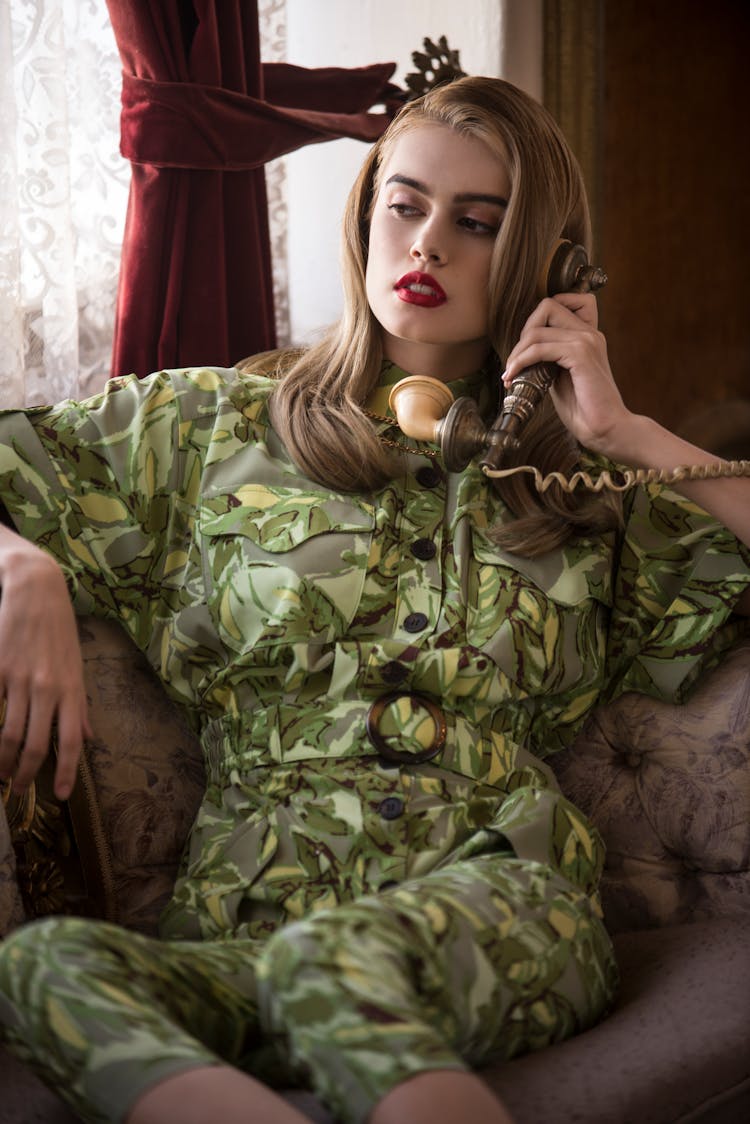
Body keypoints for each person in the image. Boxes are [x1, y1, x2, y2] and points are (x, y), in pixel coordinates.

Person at [0, 75, 748, 1124]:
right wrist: (18, 565)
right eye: (406, 204)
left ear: (546, 261)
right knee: (44, 968)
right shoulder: (208, 427)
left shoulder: (590, 490)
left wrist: (624, 432)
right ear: (366, 218)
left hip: (498, 894)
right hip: (246, 926)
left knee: (330, 967)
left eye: (477, 221)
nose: (429, 242)